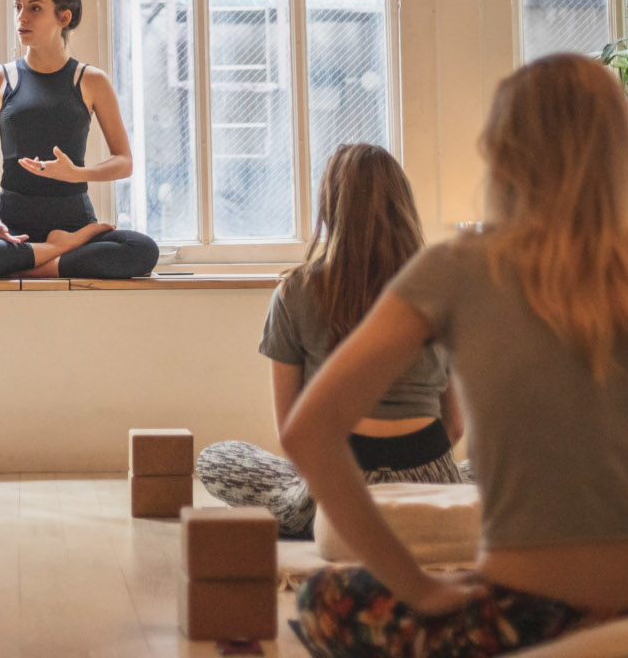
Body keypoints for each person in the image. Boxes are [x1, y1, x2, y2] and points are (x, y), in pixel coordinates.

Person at [282, 54, 628, 657]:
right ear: (625, 154)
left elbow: (307, 432)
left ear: (503, 155)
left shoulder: (457, 267)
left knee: (322, 599)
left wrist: (417, 587)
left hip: (521, 617)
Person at [197, 144, 463, 537]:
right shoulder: (444, 289)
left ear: (329, 207)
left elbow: (292, 432)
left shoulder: (298, 291)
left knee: (216, 458)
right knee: (480, 474)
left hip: (338, 490)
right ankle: (416, 519)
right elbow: (454, 427)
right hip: (432, 485)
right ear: (403, 204)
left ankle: (341, 522)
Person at [0, 0, 158, 283]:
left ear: (63, 17)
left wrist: (78, 174)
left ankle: (37, 259)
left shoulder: (92, 80)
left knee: (141, 250)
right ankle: (59, 251)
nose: (21, 17)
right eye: (18, 6)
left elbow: (124, 162)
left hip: (74, 220)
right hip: (13, 228)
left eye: (34, 8)